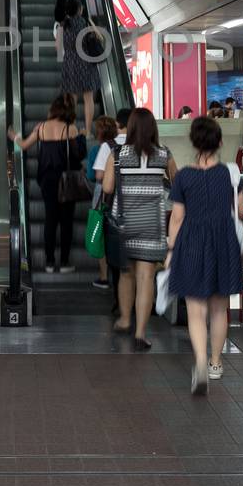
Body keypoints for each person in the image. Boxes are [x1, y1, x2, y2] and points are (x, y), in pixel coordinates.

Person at [165, 116, 243, 395]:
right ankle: (215, 362)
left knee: (196, 310)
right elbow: (241, 211)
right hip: (223, 241)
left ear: (193, 142)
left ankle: (199, 362)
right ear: (220, 141)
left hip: (192, 241)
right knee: (219, 309)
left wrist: (171, 249)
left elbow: (177, 217)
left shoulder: (184, 176)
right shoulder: (230, 172)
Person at [103, 109, 177, 350]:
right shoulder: (164, 154)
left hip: (124, 223)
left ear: (131, 127)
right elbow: (177, 184)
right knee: (146, 277)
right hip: (151, 224)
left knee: (126, 273)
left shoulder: (118, 154)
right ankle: (141, 333)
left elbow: (107, 187)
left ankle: (125, 319)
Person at [10, 94, 87, 273]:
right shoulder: (71, 129)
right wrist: (82, 136)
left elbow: (23, 146)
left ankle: (50, 262)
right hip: (66, 181)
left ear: (54, 109)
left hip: (47, 180)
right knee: (66, 221)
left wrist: (13, 135)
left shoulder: (41, 127)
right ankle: (65, 262)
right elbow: (79, 155)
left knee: (50, 220)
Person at [94, 107, 132, 300]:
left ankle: (108, 280)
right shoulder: (144, 145)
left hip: (113, 207)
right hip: (141, 210)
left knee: (111, 247)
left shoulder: (109, 146)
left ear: (118, 124)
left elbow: (101, 178)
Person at [57, 0, 100, 129]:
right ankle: (87, 131)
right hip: (86, 63)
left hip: (70, 63)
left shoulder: (62, 26)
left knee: (72, 100)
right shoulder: (85, 23)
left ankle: (72, 129)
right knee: (88, 99)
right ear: (79, 10)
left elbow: (58, 48)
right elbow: (99, 36)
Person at [88, 115, 119, 292]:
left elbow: (97, 176)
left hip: (103, 194)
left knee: (100, 232)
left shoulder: (102, 148)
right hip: (121, 194)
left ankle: (104, 276)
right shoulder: (124, 145)